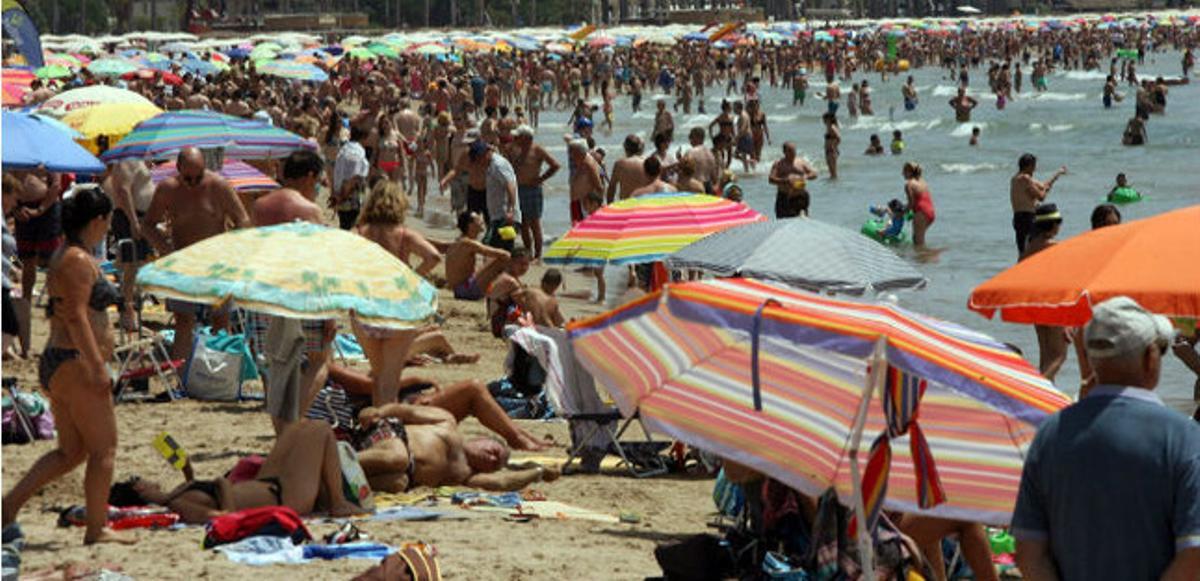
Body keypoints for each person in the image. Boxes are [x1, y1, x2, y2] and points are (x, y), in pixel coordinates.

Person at [1012, 296, 1200, 581]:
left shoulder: (1050, 433)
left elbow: (1029, 553)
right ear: (1150, 357)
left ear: (1088, 356)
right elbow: (1194, 554)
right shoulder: (1182, 437)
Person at [2, 188, 135, 545]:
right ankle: (96, 529)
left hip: (62, 362)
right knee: (104, 450)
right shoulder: (76, 259)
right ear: (97, 221)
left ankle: (7, 507)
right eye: (106, 221)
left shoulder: (69, 255)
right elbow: (76, 317)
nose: (107, 228)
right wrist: (96, 367)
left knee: (71, 451)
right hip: (76, 362)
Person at [125, 420, 360, 524]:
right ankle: (337, 502)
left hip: (270, 483)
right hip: (284, 499)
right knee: (321, 430)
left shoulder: (176, 496)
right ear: (139, 489)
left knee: (297, 428)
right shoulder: (177, 505)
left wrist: (187, 470)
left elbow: (200, 490)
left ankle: (326, 496)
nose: (146, 479)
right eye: (139, 479)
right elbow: (227, 518)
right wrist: (221, 483)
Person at [142, 147, 251, 359]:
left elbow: (243, 220)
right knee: (183, 321)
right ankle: (181, 379)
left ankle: (220, 374)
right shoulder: (167, 190)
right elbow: (147, 225)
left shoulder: (219, 186)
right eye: (188, 178)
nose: (193, 183)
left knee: (221, 321)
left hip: (217, 264)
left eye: (198, 177)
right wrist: (166, 251)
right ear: (177, 170)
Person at [352, 403, 560, 493]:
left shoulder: (466, 475)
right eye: (494, 451)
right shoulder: (447, 422)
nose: (491, 458)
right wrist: (376, 411)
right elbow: (404, 410)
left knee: (398, 483)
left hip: (405, 472)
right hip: (392, 438)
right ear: (481, 438)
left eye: (495, 464)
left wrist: (537, 473)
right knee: (398, 458)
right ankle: (339, 458)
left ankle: (335, 477)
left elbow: (503, 483)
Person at [12, 168, 64, 357]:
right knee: (27, 262)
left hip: (47, 209)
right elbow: (7, 180)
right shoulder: (16, 152)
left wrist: (40, 209)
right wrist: (16, 208)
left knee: (52, 262)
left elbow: (56, 184)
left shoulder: (45, 151)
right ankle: (26, 307)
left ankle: (55, 302)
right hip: (22, 208)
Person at [357, 180, 441, 278]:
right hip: (396, 287)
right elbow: (434, 257)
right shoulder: (405, 235)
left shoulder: (360, 232)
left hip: (369, 284)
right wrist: (413, 277)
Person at [1022, 204, 1068, 381]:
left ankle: (1045, 397)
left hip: (1035, 302)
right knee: (1059, 356)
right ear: (1053, 224)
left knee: (1046, 356)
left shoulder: (1031, 244)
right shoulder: (1053, 245)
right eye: (1059, 222)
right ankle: (1038, 390)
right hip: (1051, 302)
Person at [510, 125, 560, 260]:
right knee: (523, 223)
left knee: (535, 223)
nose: (516, 138)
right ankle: (528, 252)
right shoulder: (515, 149)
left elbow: (555, 165)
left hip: (532, 190)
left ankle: (538, 255)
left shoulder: (537, 150)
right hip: (518, 189)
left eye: (518, 136)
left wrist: (541, 179)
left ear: (526, 138)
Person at [444, 211, 510, 302]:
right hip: (465, 290)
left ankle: (500, 290)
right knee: (502, 260)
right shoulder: (468, 243)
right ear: (470, 225)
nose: (481, 221)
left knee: (491, 259)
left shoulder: (460, 241)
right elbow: (502, 254)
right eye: (478, 220)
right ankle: (505, 291)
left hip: (460, 289)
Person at [1009, 153, 1066, 256]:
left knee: (1023, 250)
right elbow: (1041, 196)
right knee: (1036, 247)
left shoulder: (1015, 178)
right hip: (1027, 218)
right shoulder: (1025, 178)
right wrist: (1045, 190)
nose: (1035, 169)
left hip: (1018, 218)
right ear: (1029, 165)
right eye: (1034, 166)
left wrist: (1057, 175)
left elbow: (1043, 186)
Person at [254, 150, 325, 227]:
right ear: (310, 177)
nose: (316, 189)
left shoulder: (260, 205)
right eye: (317, 181)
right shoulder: (310, 211)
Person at [333, 125, 370, 229]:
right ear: (364, 137)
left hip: (341, 191)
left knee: (344, 224)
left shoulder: (344, 149)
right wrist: (343, 195)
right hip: (351, 195)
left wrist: (336, 193)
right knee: (350, 225)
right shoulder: (357, 152)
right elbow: (354, 177)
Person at [768, 142, 818, 219]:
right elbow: (771, 179)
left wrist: (806, 176)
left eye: (794, 150)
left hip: (800, 196)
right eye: (790, 151)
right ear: (784, 152)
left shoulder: (801, 162)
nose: (793, 153)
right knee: (783, 221)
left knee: (803, 220)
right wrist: (785, 181)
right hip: (784, 196)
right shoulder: (779, 164)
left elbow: (814, 174)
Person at [567, 138, 603, 224]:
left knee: (582, 229)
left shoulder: (588, 164)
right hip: (578, 203)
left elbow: (599, 186)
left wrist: (596, 206)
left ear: (579, 151)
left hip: (585, 204)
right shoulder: (581, 162)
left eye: (571, 151)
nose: (569, 154)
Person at [605, 134, 650, 203]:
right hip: (643, 204)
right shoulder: (646, 163)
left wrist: (610, 207)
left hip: (626, 204)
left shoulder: (620, 164)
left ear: (625, 147)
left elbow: (612, 188)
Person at [902, 162, 934, 248]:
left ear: (909, 172)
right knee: (916, 238)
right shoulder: (922, 182)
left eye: (904, 171)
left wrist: (901, 213)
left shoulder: (909, 185)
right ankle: (922, 257)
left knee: (918, 241)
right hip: (930, 212)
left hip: (921, 213)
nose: (902, 174)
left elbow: (911, 203)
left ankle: (923, 259)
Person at [822, 112, 841, 180]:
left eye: (824, 119)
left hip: (831, 151)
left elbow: (839, 138)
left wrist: (834, 146)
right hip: (828, 151)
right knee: (831, 172)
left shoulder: (832, 127)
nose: (823, 121)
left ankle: (835, 186)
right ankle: (832, 187)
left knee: (833, 172)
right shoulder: (829, 127)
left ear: (829, 119)